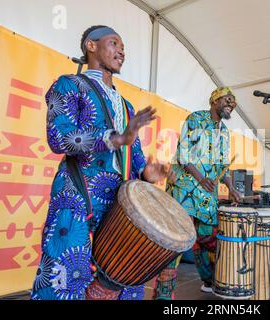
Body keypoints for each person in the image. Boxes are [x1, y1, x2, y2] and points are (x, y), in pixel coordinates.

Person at [30, 25, 171, 300]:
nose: (121, 51)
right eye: (114, 43)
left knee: (124, 281)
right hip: (77, 195)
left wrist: (148, 173)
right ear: (91, 46)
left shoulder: (127, 105)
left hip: (120, 203)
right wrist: (116, 138)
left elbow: (135, 155)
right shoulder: (70, 84)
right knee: (66, 276)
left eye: (123, 47)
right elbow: (60, 138)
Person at [152, 87, 242, 300]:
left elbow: (222, 165)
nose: (232, 104)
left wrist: (230, 187)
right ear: (214, 100)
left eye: (234, 102)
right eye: (228, 99)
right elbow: (183, 154)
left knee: (207, 236)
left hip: (206, 192)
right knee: (177, 237)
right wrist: (201, 178)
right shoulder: (196, 119)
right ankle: (164, 293)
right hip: (184, 187)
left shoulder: (225, 132)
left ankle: (209, 281)